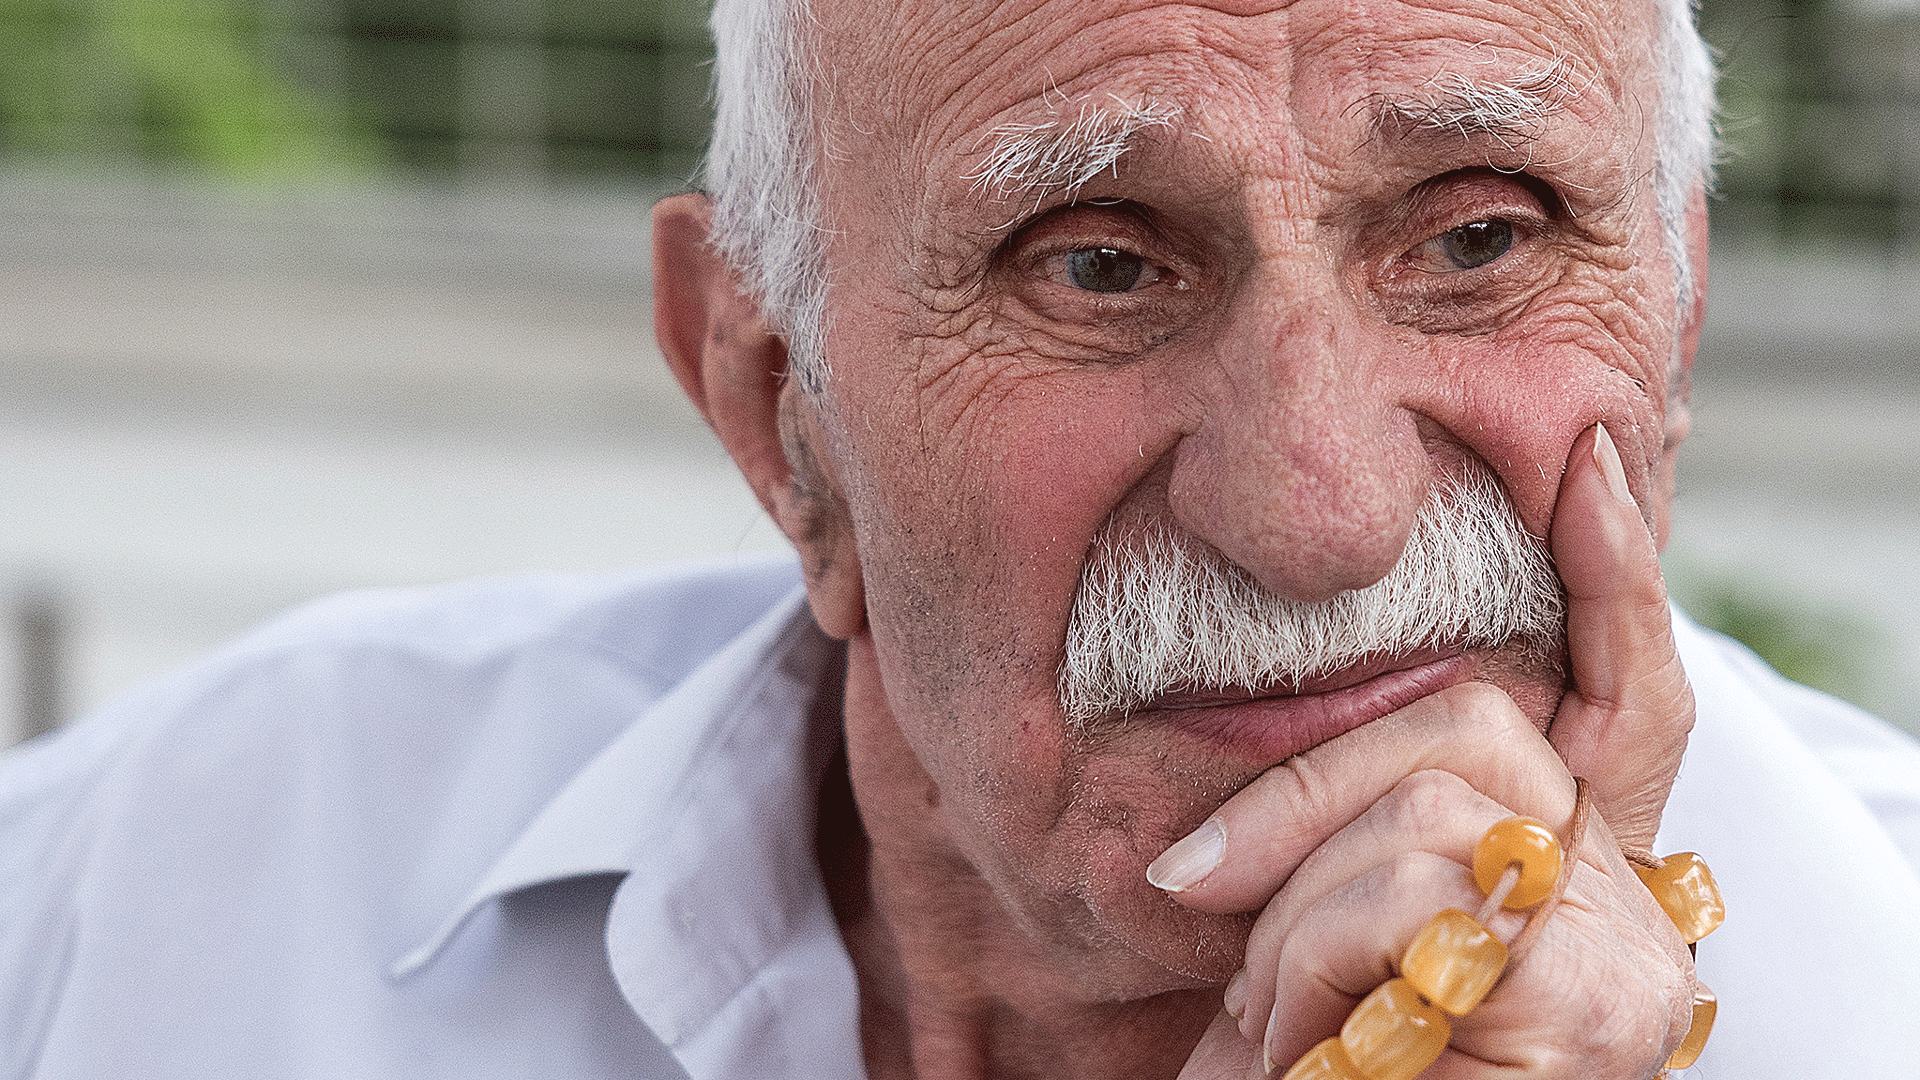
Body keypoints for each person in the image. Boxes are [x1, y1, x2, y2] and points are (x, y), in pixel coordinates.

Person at [4, 0, 1919, 1076]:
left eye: (1480, 237)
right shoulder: (167, 888)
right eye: (1096, 266)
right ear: (776, 408)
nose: (1325, 516)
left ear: (1675, 315)